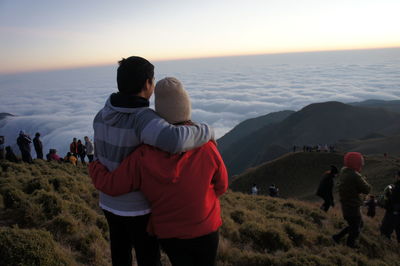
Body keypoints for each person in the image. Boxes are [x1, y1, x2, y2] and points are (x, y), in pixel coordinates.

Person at [90, 77, 228, 266]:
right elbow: (221, 186)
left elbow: (112, 185)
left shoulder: (142, 155)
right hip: (207, 228)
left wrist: (95, 165)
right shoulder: (207, 148)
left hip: (170, 234)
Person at [332, 152, 371, 248]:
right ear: (356, 163)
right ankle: (349, 245)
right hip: (352, 206)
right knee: (355, 227)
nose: (361, 164)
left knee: (357, 224)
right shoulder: (355, 175)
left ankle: (337, 237)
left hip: (346, 204)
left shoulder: (344, 170)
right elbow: (367, 189)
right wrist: (363, 179)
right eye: (360, 162)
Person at [380, 171, 400, 242]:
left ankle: (385, 244)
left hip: (393, 211)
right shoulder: (395, 186)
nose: (395, 177)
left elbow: (393, 199)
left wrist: (388, 196)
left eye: (396, 175)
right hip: (396, 211)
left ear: (398, 176)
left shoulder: (397, 187)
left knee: (386, 228)